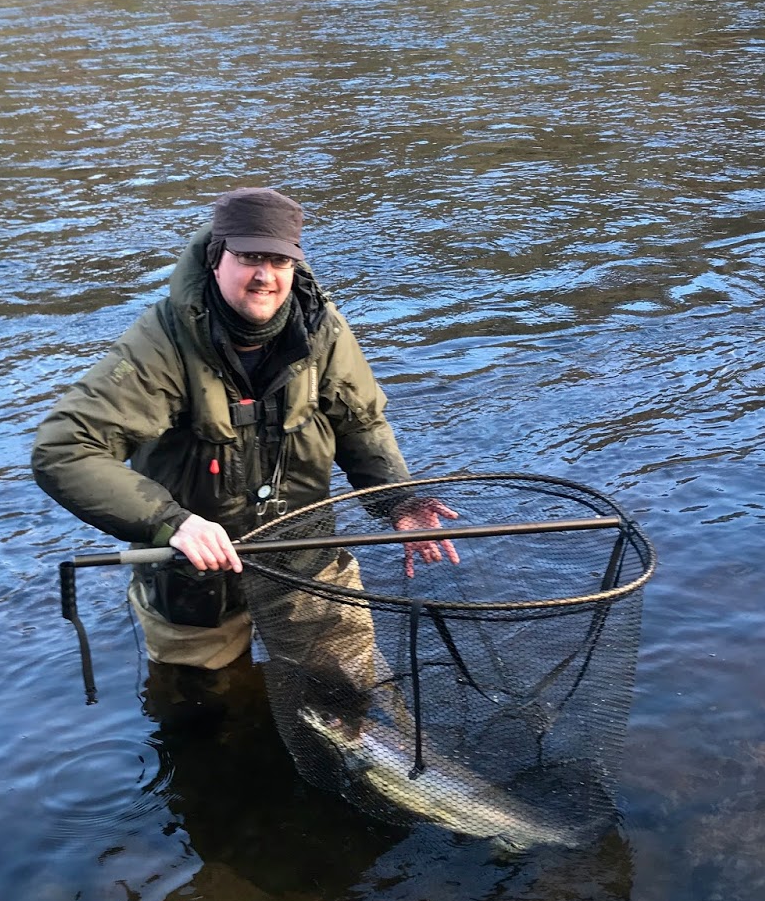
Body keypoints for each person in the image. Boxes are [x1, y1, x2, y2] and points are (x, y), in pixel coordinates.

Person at [31, 187, 457, 677]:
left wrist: (397, 502)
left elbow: (360, 423)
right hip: (192, 579)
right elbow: (64, 450)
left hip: (302, 559)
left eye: (279, 261)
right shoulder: (161, 341)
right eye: (249, 257)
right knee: (205, 714)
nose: (265, 276)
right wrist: (173, 523)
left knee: (351, 690)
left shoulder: (322, 328)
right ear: (216, 259)